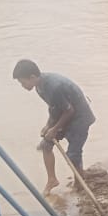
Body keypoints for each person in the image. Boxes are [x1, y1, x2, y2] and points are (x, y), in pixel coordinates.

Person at [12, 59, 96, 195]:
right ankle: (52, 179)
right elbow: (54, 108)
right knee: (46, 145)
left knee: (73, 153)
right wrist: (48, 125)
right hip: (66, 115)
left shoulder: (54, 87)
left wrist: (55, 129)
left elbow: (69, 110)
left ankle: (79, 183)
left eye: (23, 82)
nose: (22, 86)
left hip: (80, 117)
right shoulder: (39, 87)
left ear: (32, 77)